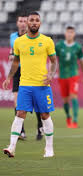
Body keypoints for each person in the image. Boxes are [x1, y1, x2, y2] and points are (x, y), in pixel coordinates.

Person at [2, 11, 57, 158]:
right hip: (25, 85)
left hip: (42, 86)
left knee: (45, 115)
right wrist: (9, 78)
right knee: (20, 114)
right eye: (31, 20)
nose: (34, 22)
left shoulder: (47, 41)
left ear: (40, 23)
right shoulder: (19, 42)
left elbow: (53, 61)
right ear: (27, 23)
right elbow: (15, 61)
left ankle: (49, 148)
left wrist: (50, 75)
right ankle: (12, 147)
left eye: (36, 20)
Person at [9, 14, 44, 141]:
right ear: (18, 23)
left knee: (36, 103)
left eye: (25, 21)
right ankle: (21, 132)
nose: (23, 23)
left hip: (31, 73)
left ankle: (40, 128)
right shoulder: (13, 37)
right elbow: (12, 53)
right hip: (19, 73)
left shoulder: (34, 37)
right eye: (21, 21)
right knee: (17, 103)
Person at [56, 26, 83, 128]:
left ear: (74, 34)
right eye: (68, 32)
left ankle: (74, 120)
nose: (69, 34)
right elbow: (53, 60)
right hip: (62, 76)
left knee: (73, 96)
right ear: (65, 33)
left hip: (73, 75)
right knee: (65, 100)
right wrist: (51, 72)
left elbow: (82, 61)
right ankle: (68, 116)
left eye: (71, 32)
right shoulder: (59, 46)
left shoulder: (78, 47)